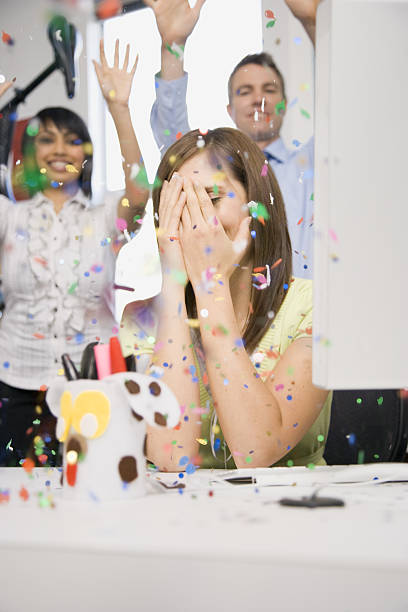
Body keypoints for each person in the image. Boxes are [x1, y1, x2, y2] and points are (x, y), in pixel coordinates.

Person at [122, 126, 331, 471]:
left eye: (211, 199)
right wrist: (175, 283)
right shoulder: (141, 320)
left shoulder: (314, 307)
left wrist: (210, 287)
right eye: (180, 205)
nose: (195, 222)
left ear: (256, 206)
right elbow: (172, 457)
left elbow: (256, 451)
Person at [0, 40, 149, 466]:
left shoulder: (105, 219)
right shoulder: (10, 218)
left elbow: (140, 192)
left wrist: (119, 109)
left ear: (85, 155)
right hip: (16, 387)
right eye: (47, 140)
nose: (61, 149)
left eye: (72, 140)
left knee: (95, 499)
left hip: (96, 384)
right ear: (31, 154)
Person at [144, 0, 321, 279]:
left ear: (284, 104)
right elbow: (172, 137)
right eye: (245, 91)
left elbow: (344, 115)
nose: (258, 99)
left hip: (302, 317)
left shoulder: (313, 164)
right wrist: (172, 46)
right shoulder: (212, 169)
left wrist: (314, 24)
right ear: (230, 109)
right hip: (225, 311)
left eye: (269, 89)